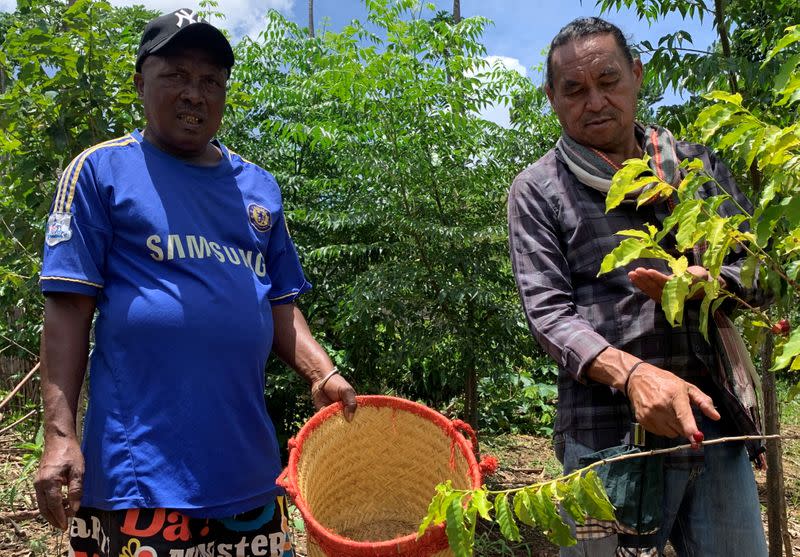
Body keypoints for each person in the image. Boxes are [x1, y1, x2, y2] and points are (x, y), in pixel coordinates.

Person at [34, 8, 357, 557]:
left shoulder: (258, 188)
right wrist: (60, 436)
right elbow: (67, 311)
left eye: (211, 81)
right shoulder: (99, 173)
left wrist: (323, 373)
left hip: (250, 478)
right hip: (142, 483)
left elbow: (279, 304)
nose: (195, 94)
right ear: (140, 82)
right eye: (176, 76)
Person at [507, 17, 768, 557]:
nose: (595, 101)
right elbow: (549, 315)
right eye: (575, 90)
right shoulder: (538, 190)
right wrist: (634, 376)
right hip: (605, 439)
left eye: (608, 80)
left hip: (712, 424)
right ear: (552, 98)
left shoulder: (696, 170)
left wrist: (710, 285)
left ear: (637, 75)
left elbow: (758, 270)